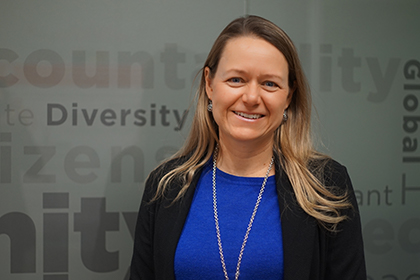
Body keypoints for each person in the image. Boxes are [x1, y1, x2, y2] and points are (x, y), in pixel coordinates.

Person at [129, 15, 366, 280]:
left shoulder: (327, 185)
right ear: (209, 84)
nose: (251, 98)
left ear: (288, 96)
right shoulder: (165, 186)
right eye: (236, 80)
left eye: (270, 84)